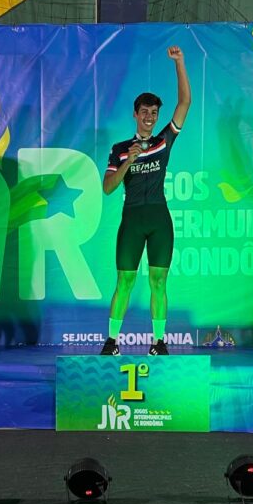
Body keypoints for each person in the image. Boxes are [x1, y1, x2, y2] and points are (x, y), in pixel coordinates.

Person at [100, 46, 191, 356]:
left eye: (154, 113)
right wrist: (128, 161)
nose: (150, 117)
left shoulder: (164, 140)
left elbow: (185, 103)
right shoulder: (120, 148)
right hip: (132, 220)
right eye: (145, 112)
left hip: (159, 219)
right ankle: (111, 342)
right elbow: (108, 188)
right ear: (135, 115)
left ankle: (159, 342)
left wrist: (179, 63)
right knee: (124, 281)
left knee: (158, 281)